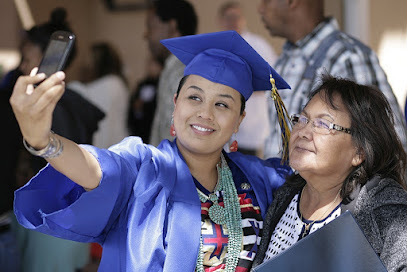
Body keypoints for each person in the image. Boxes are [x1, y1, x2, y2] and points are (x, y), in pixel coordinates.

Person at [11, 30, 292, 271]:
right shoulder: (145, 168)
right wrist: (43, 140)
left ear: (239, 120)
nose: (205, 113)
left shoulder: (259, 179)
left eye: (222, 104)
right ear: (175, 103)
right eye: (194, 97)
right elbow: (99, 168)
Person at [252, 75, 407, 272]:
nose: (303, 132)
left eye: (323, 125)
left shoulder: (386, 212)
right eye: (303, 119)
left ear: (359, 152)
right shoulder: (285, 197)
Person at [8, 7, 104, 272]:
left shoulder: (53, 109)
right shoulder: (76, 103)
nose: (23, 66)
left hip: (52, 218)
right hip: (65, 216)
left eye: (27, 57)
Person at [258, 0, 407, 159]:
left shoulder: (348, 57)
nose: (260, 9)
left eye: (266, 1)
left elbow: (387, 150)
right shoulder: (285, 60)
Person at [218, 1, 277, 157]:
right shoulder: (217, 48)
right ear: (221, 21)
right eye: (229, 17)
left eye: (236, 16)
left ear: (243, 19)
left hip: (253, 127)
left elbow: (272, 82)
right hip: (224, 125)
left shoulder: (259, 46)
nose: (233, 21)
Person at [147, 0, 198, 146]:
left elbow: (178, 139)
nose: (146, 35)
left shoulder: (183, 72)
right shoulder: (172, 68)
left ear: (172, 26)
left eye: (150, 27)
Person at [69, 42, 130, 149]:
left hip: (113, 144)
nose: (85, 63)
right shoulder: (116, 82)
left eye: (89, 58)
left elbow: (81, 94)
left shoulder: (112, 83)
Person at [127, 56, 163, 143]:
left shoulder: (161, 85)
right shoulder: (142, 84)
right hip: (139, 127)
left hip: (151, 125)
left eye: (154, 65)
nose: (151, 68)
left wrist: (145, 106)